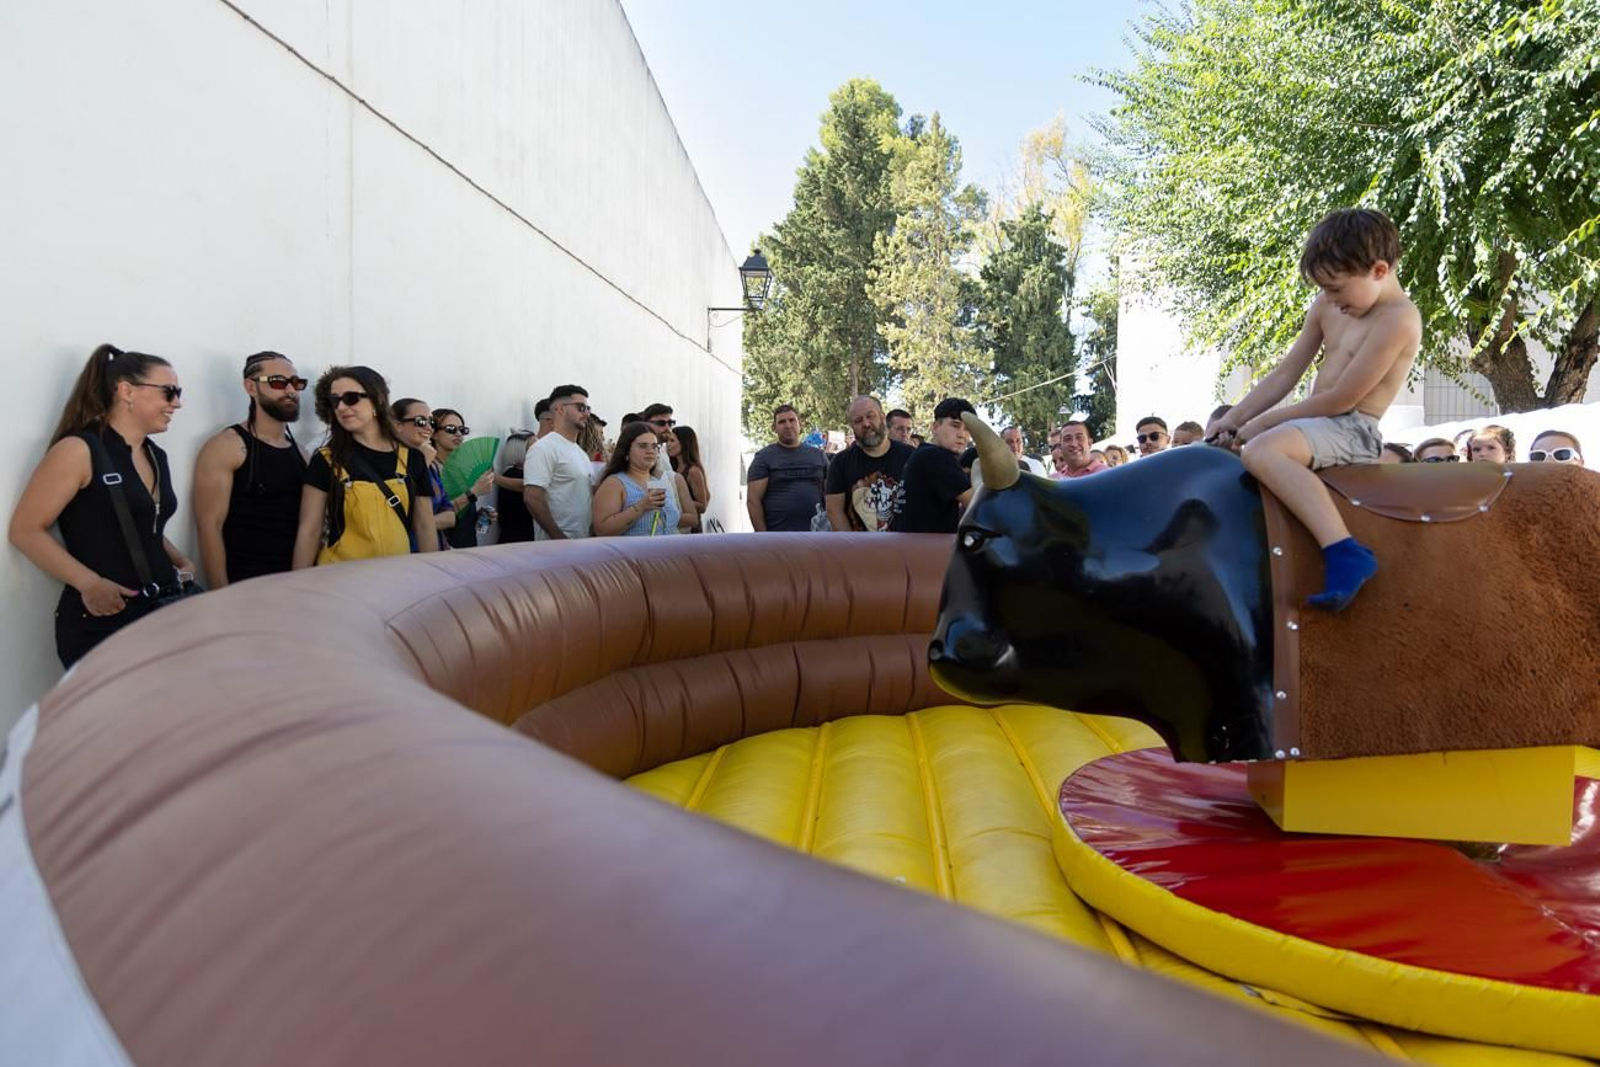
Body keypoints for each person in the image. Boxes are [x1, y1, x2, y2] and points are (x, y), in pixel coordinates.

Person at [1206, 208, 1421, 611]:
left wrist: (1261, 425)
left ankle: (1344, 551)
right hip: (1317, 423)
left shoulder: (1399, 320)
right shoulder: (1328, 305)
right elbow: (1287, 372)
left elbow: (1343, 399)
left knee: (1262, 451)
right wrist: (1232, 419)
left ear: (1378, 270)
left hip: (1354, 428)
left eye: (1338, 289)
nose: (1332, 300)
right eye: (1325, 289)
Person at [10, 344, 199, 668]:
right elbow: (25, 531)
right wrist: (89, 583)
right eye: (169, 392)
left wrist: (181, 560)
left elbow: (144, 524)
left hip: (163, 611)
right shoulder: (79, 450)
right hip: (103, 623)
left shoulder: (156, 455)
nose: (177, 403)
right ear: (126, 391)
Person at [292, 366, 437, 568]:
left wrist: (433, 578)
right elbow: (310, 530)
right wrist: (298, 585)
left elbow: (424, 526)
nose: (341, 407)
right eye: (335, 400)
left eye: (351, 398)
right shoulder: (326, 459)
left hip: (396, 580)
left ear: (377, 401)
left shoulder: (412, 458)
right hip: (340, 580)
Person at [192, 351, 308, 588]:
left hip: (295, 585)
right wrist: (221, 594)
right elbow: (209, 527)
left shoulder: (302, 453)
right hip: (245, 586)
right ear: (251, 387)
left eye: (296, 383)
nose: (290, 390)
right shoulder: (227, 447)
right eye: (277, 382)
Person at [825, 396, 916, 532]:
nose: (866, 424)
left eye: (870, 416)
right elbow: (834, 511)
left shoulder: (912, 457)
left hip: (905, 548)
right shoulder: (840, 462)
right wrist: (852, 548)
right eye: (858, 420)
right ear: (852, 427)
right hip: (858, 549)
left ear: (882, 417)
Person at [523, 385, 594, 540]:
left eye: (588, 408)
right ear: (560, 409)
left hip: (582, 544)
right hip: (556, 549)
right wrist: (559, 538)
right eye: (581, 407)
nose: (587, 414)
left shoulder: (581, 453)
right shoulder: (543, 448)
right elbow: (532, 497)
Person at [593, 423, 689, 537]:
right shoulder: (615, 483)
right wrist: (640, 507)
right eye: (643, 446)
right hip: (631, 554)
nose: (650, 451)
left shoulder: (658, 483)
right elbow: (602, 529)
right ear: (626, 451)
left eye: (654, 446)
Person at [897, 399, 977, 534]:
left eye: (967, 429)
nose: (962, 435)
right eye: (955, 425)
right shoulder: (936, 457)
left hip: (911, 548)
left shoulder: (923, 453)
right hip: (923, 551)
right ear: (935, 427)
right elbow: (978, 505)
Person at [747, 405, 827, 532]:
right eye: (782, 422)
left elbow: (831, 495)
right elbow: (753, 500)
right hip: (778, 539)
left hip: (816, 536)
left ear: (800, 424)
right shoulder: (763, 458)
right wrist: (763, 537)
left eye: (792, 420)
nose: (788, 425)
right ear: (774, 428)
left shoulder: (818, 456)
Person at [431, 408, 496, 549]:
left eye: (462, 430)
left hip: (467, 546)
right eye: (451, 429)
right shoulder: (430, 469)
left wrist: (478, 515)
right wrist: (474, 492)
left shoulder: (458, 469)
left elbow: (459, 510)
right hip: (443, 550)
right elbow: (434, 517)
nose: (459, 434)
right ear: (434, 433)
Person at [390, 398, 450, 550]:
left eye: (431, 422)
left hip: (430, 549)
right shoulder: (388, 462)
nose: (429, 427)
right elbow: (395, 514)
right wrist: (423, 464)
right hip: (400, 553)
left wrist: (425, 522)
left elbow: (450, 514)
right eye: (421, 421)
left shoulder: (431, 467)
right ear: (397, 425)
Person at [495, 431, 537, 542]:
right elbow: (528, 487)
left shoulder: (531, 473)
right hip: (518, 539)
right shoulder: (512, 474)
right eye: (533, 448)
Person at [670, 425, 711, 531]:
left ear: (684, 443)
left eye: (672, 441)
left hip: (691, 529)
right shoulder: (672, 468)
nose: (668, 445)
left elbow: (702, 506)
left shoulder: (693, 471)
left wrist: (676, 501)